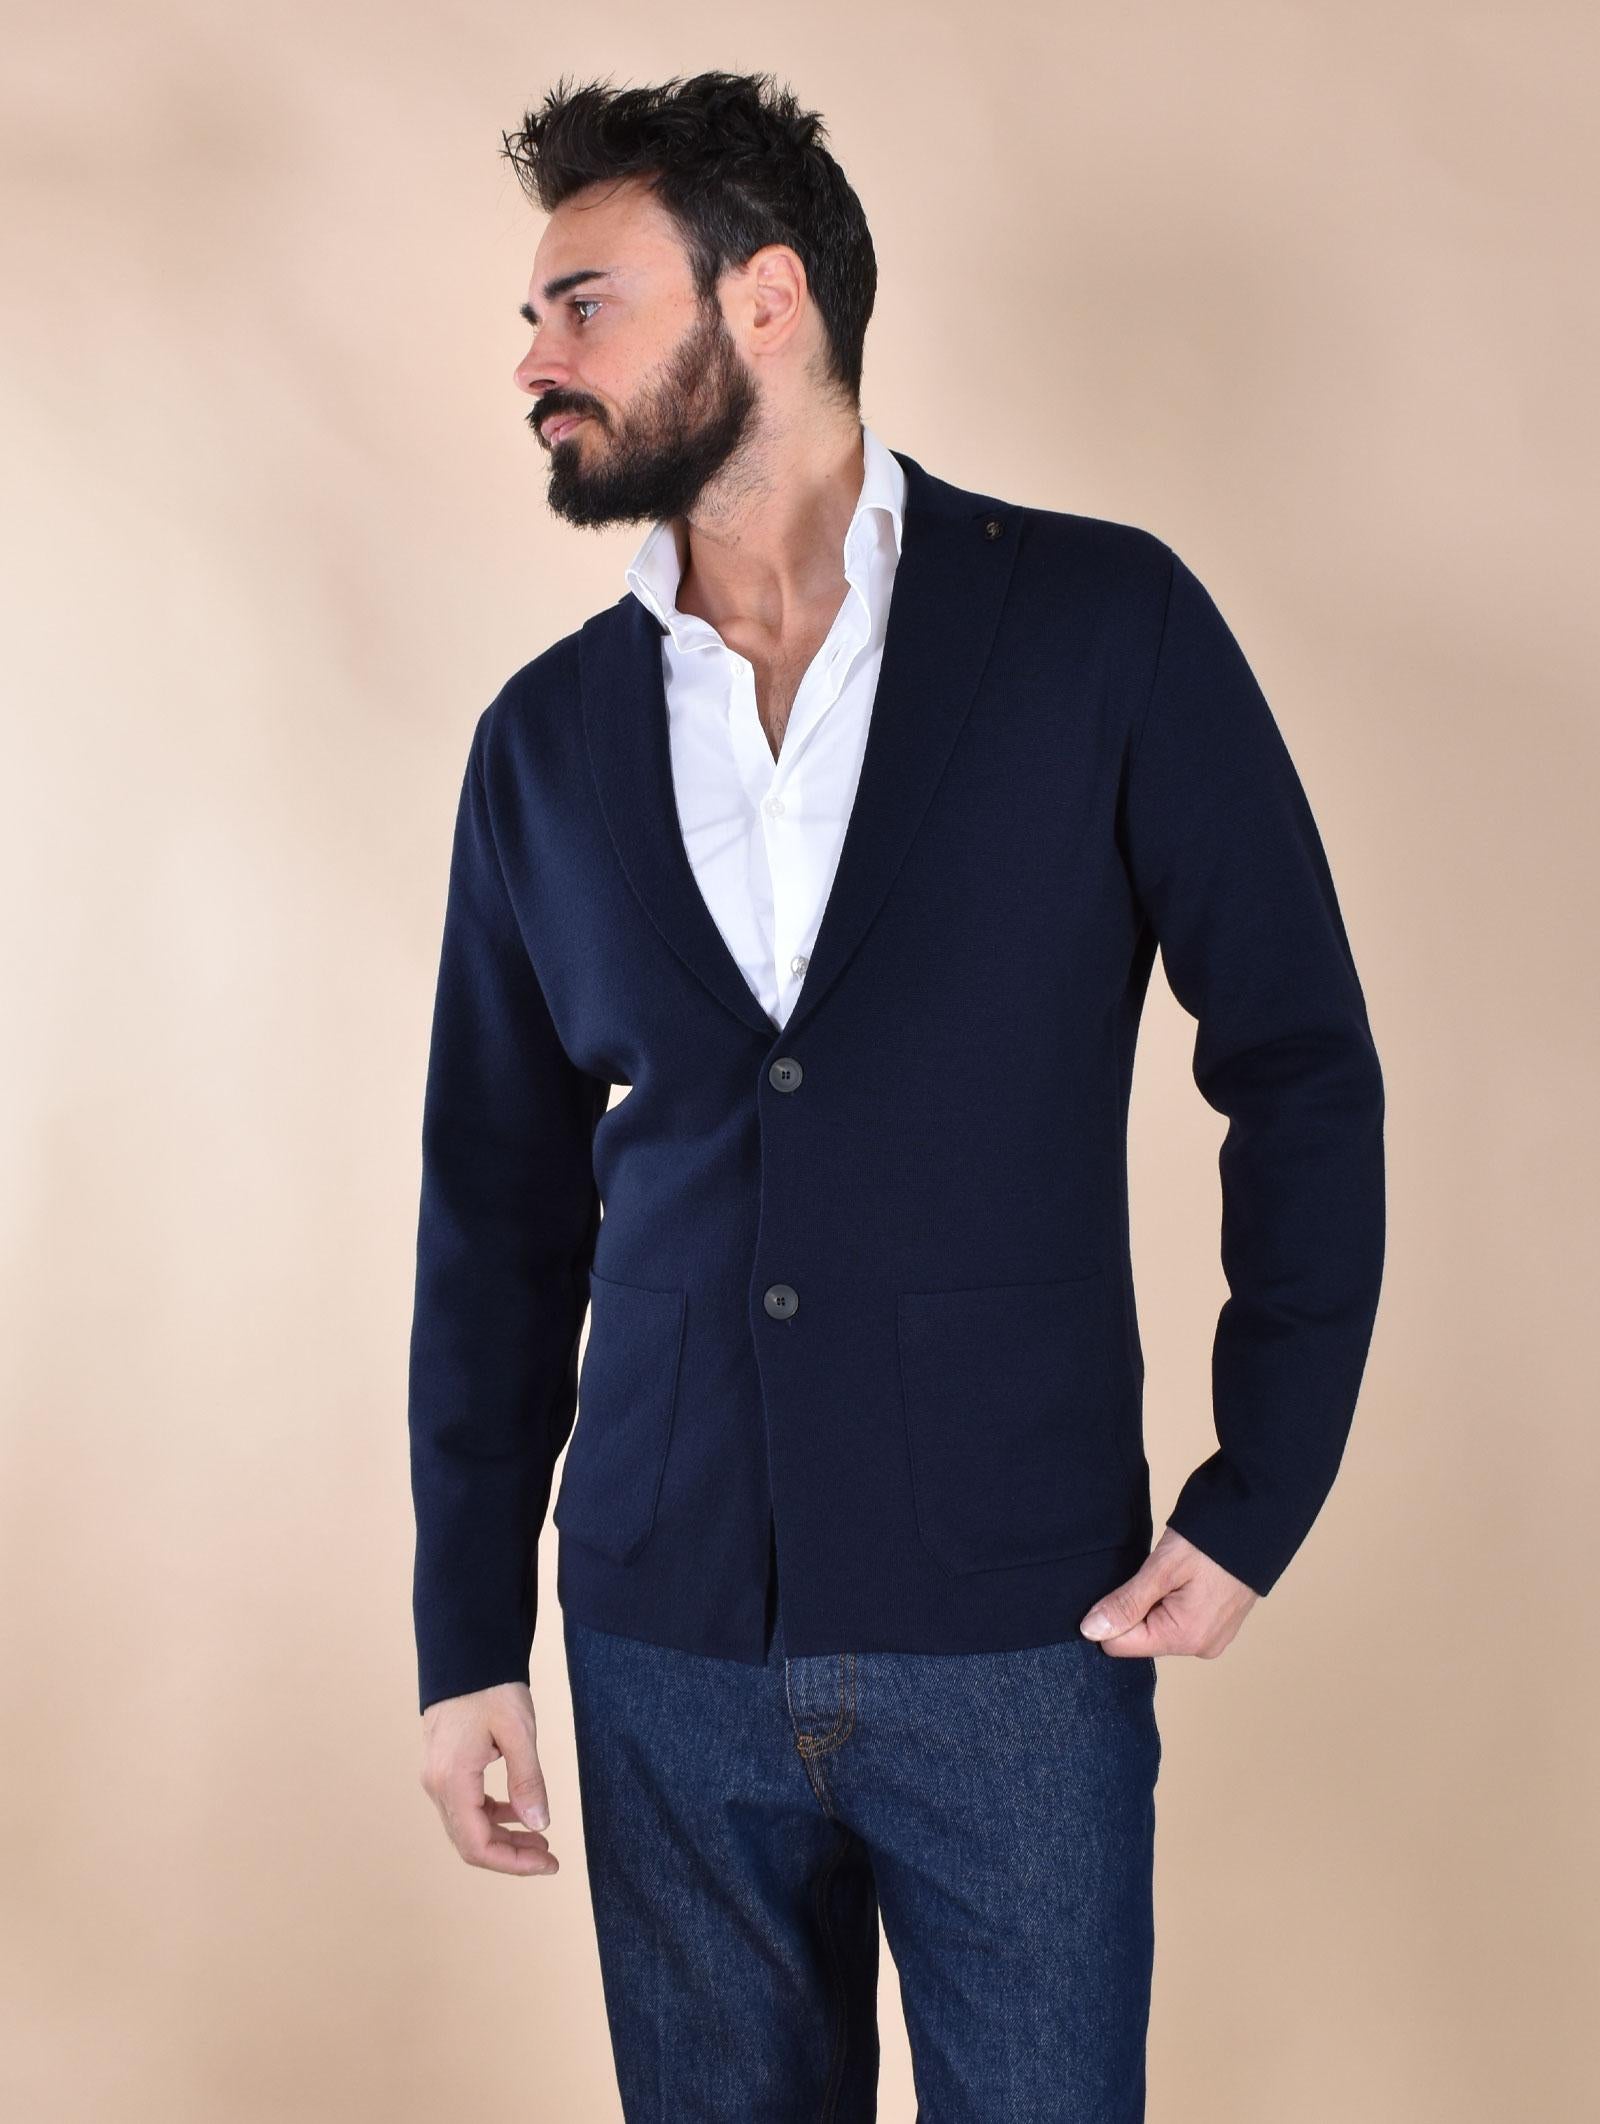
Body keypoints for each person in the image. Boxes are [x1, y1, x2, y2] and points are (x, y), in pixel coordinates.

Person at [408, 68, 1386, 2123]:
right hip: (662, 1640)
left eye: (582, 304)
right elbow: (495, 1213)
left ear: (763, 300)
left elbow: (1298, 1064)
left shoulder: (1098, 628)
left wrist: (1261, 1489)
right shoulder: (546, 741)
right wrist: (467, 1632)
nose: (533, 361)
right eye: (533, 316)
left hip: (1020, 1627)